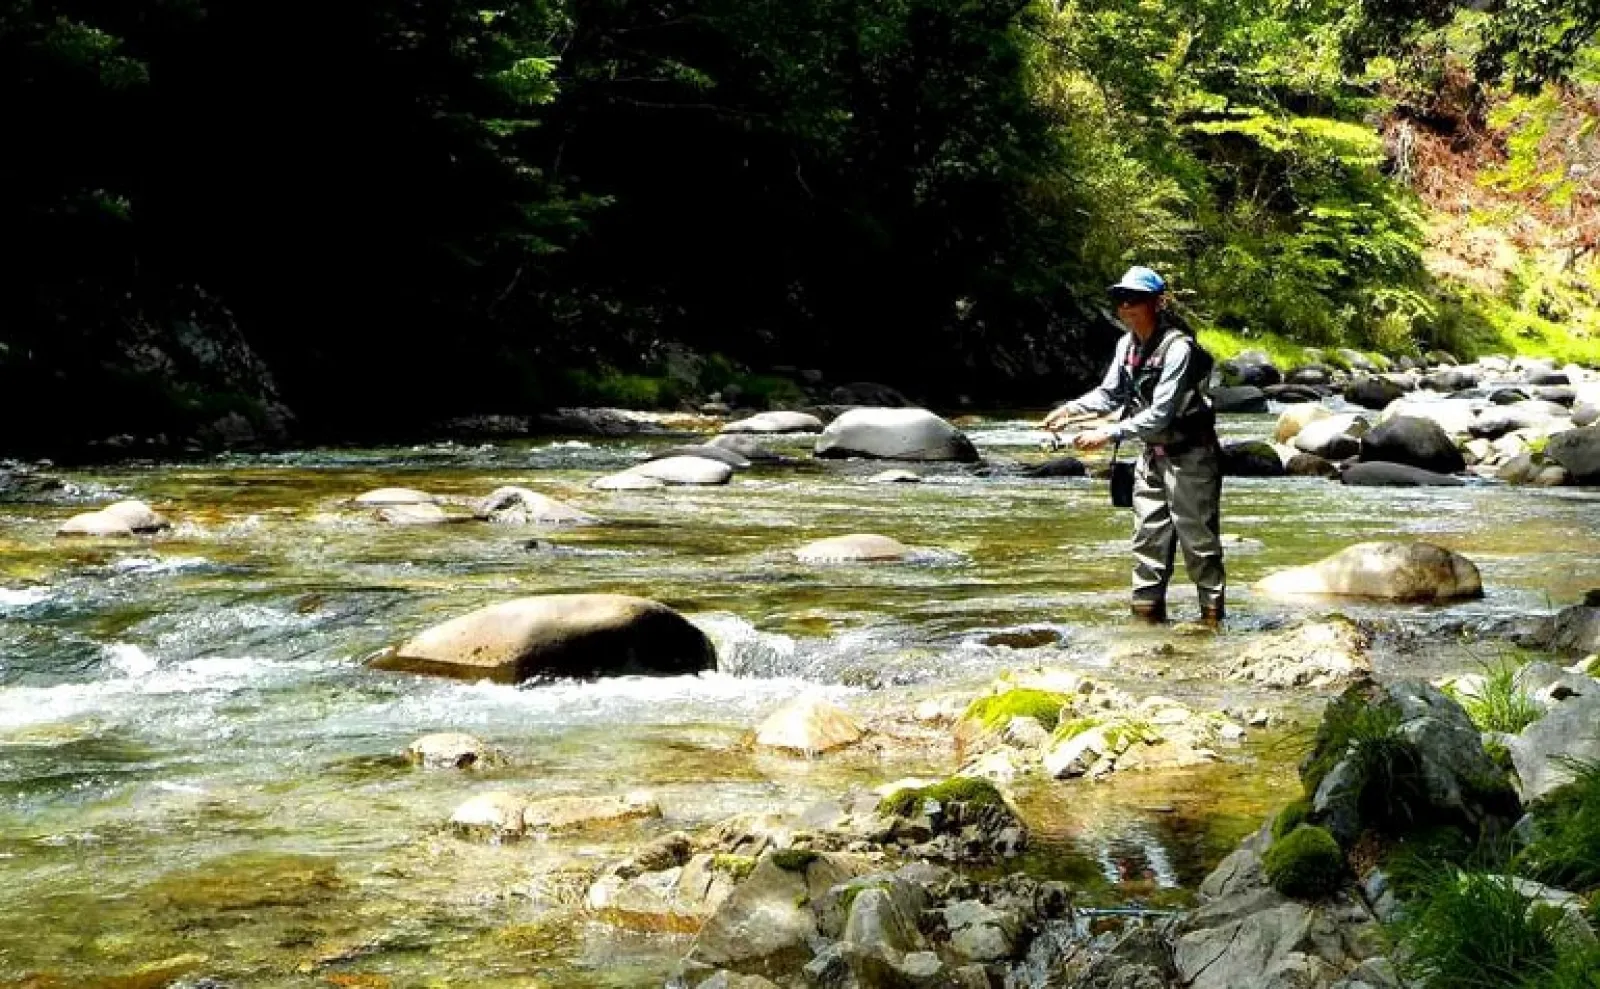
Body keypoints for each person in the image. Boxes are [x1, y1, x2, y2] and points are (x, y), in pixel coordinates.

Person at [1041, 266, 1225, 626]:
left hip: (1192, 457)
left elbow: (1160, 413)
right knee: (1147, 542)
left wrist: (1108, 434)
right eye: (1121, 299)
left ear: (1158, 302)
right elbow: (1110, 393)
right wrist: (1070, 410)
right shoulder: (1126, 345)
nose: (1126, 306)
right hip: (1151, 458)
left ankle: (1213, 623)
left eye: (1135, 299)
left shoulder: (1178, 349)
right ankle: (1145, 624)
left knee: (1199, 545)